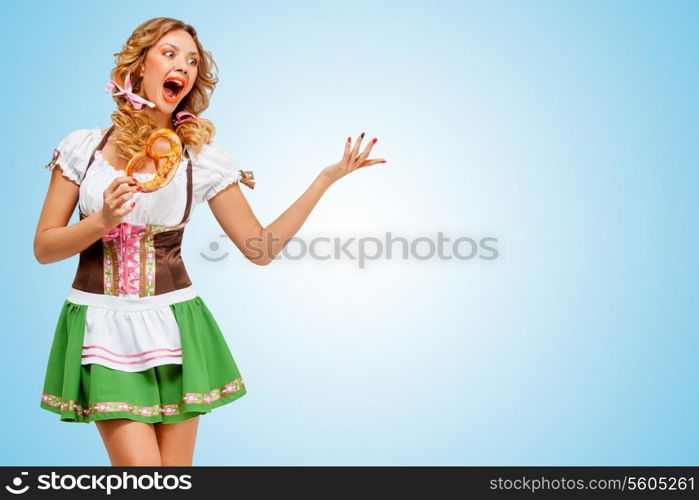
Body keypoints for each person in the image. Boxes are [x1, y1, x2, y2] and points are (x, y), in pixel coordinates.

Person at [34, 17, 386, 467]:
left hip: (176, 324)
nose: (183, 65)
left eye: (193, 60)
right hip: (102, 324)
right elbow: (44, 248)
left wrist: (324, 180)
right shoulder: (84, 148)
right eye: (169, 53)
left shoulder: (201, 158)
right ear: (139, 66)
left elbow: (260, 249)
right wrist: (102, 219)